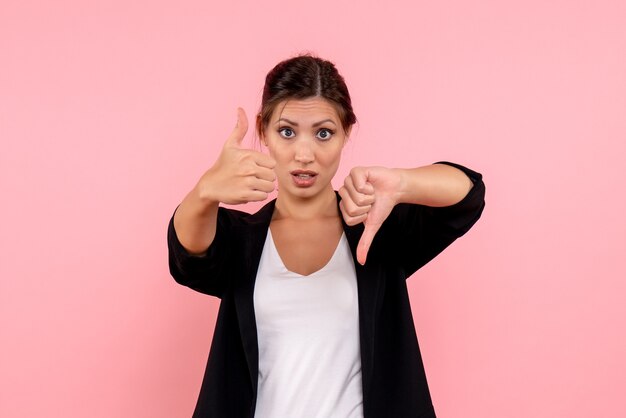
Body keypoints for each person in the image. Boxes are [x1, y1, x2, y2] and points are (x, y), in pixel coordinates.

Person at [167, 54, 485, 418]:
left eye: (323, 133)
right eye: (287, 131)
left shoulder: (375, 227)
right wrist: (205, 191)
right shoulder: (242, 241)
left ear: (346, 133)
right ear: (263, 131)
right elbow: (187, 254)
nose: (305, 154)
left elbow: (468, 194)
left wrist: (402, 182)